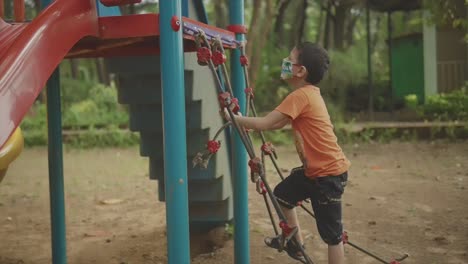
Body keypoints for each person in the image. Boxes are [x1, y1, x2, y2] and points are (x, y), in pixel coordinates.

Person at [225, 42, 350, 264]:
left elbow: (266, 123)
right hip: (314, 172)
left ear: (300, 71)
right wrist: (244, 122)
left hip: (328, 175)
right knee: (282, 195)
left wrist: (233, 118)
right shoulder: (306, 95)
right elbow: (276, 123)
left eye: (288, 60)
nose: (284, 63)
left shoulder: (301, 96)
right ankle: (296, 244)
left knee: (333, 236)